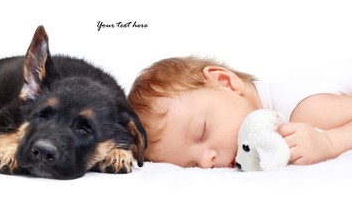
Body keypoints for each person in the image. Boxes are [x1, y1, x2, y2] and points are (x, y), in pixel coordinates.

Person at [128, 56, 352, 169]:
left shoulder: (304, 110)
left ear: (224, 81)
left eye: (202, 132)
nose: (207, 162)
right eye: (191, 165)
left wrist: (329, 142)